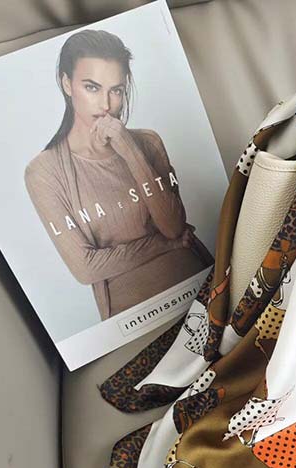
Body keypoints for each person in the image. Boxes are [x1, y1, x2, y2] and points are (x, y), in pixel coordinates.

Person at [24, 29, 213, 321]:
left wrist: (130, 150)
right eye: (92, 87)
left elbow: (173, 226)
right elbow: (86, 268)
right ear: (67, 83)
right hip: (135, 317)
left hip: (202, 286)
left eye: (117, 90)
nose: (106, 105)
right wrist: (164, 245)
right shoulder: (44, 171)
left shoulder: (147, 143)